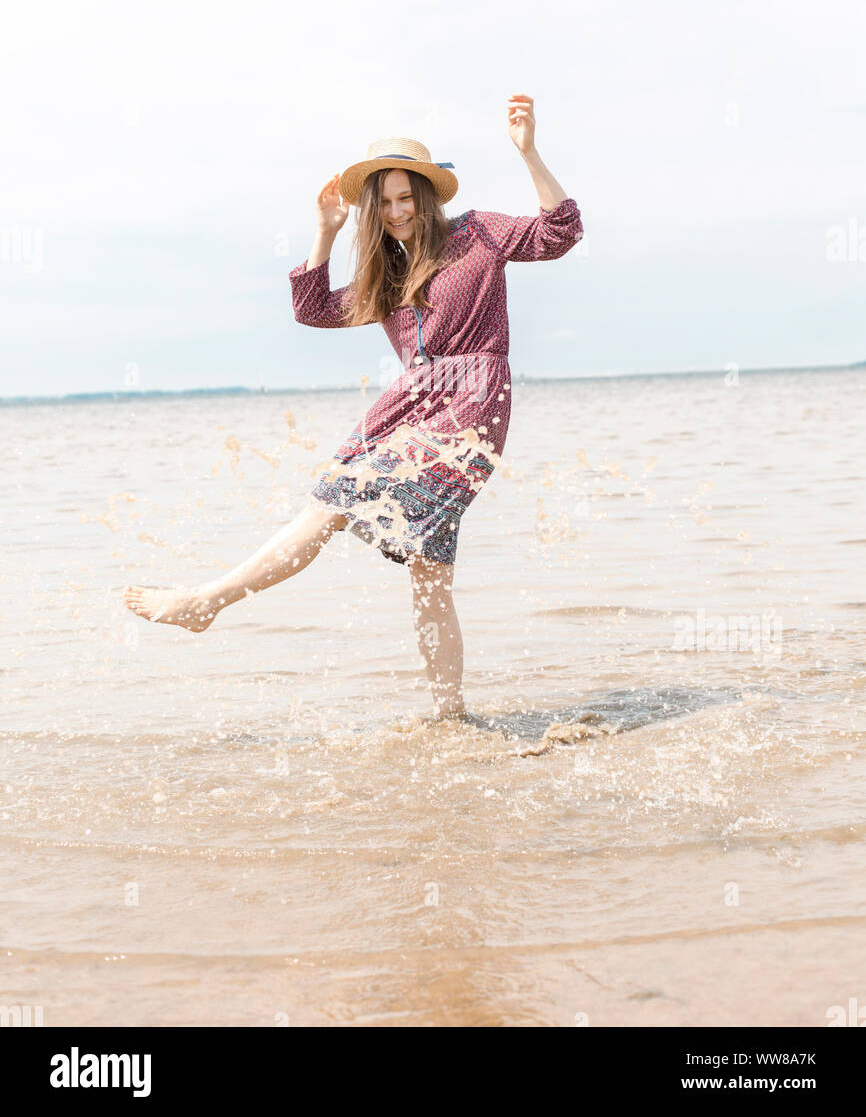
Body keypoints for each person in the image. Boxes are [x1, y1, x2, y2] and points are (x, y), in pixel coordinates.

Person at [123, 93, 584, 719]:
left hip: (470, 404)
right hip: (409, 404)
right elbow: (312, 309)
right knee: (429, 573)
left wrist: (528, 153)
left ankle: (210, 599)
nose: (396, 214)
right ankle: (452, 719)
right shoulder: (385, 275)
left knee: (334, 500)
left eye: (406, 199)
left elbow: (559, 233)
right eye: (384, 203)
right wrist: (324, 232)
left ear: (428, 196)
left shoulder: (479, 233)